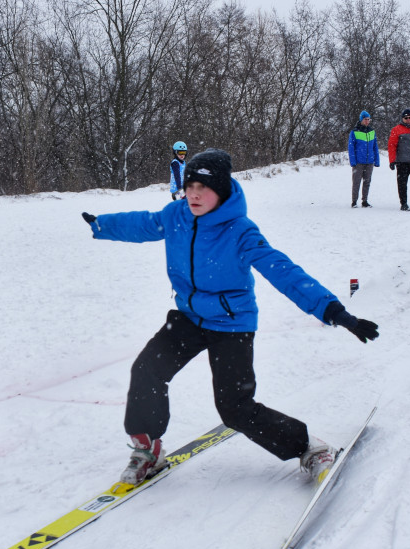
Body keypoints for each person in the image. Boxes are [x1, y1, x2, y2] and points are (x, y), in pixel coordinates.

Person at [79, 148, 379, 487]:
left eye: (202, 187)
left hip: (231, 323)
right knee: (147, 369)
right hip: (190, 316)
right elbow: (145, 223)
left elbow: (283, 271)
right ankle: (148, 449)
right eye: (190, 184)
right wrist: (103, 225)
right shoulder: (176, 214)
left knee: (234, 408)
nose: (193, 193)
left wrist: (334, 310)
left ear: (221, 190)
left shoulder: (240, 231)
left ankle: (311, 449)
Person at [348, 110, 380, 207]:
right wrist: (353, 161)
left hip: (369, 161)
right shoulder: (354, 132)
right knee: (356, 182)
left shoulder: (372, 132)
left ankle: (364, 201)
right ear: (361, 120)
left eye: (368, 119)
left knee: (367, 182)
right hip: (359, 161)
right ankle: (354, 201)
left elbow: (375, 147)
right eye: (365, 119)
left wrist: (376, 160)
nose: (367, 121)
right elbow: (351, 147)